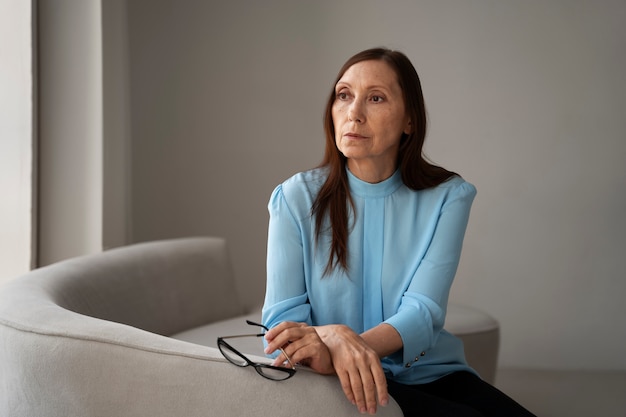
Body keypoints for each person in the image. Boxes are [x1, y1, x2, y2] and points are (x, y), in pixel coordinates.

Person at [261, 47, 535, 417]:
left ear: (410, 120)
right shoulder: (294, 198)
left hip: (428, 372)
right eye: (344, 96)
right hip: (331, 380)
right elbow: (281, 323)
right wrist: (334, 338)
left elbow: (423, 311)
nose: (353, 113)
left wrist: (346, 341)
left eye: (375, 98)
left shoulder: (449, 197)